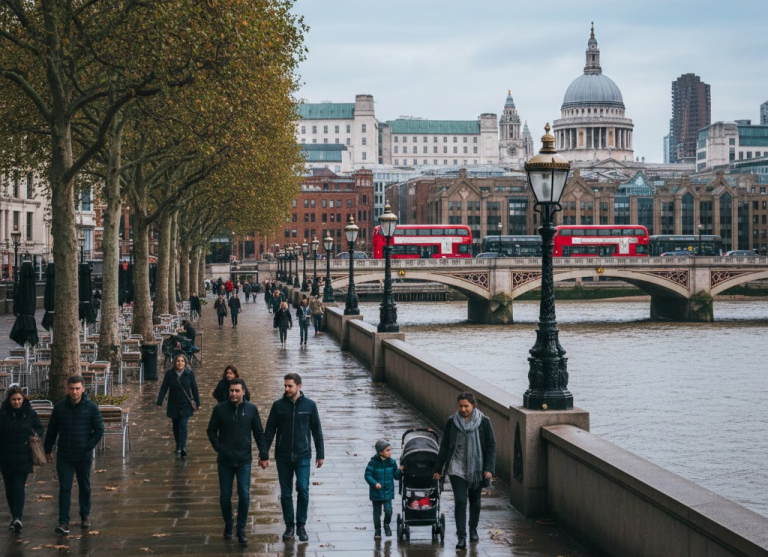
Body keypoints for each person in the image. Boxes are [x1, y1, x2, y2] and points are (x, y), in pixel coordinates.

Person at [259, 373, 324, 543]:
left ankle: (301, 524)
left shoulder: (310, 405)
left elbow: (316, 430)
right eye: (285, 386)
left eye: (290, 386)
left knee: (303, 489)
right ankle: (290, 526)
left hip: (303, 455)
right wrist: (264, 454)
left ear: (299, 386)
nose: (286, 389)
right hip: (283, 456)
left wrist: (320, 454)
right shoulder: (278, 406)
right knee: (286, 493)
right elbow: (270, 431)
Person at [432, 392, 496, 550]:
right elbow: (445, 445)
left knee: (475, 501)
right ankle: (461, 537)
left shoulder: (484, 422)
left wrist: (489, 468)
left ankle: (473, 529)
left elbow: (491, 446)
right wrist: (438, 468)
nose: (463, 409)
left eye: (466, 406)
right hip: (456, 466)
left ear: (473, 405)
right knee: (460, 502)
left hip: (477, 468)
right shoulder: (452, 421)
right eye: (460, 406)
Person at [44, 375, 104, 536]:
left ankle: (85, 515)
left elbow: (99, 429)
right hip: (64, 455)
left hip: (83, 455)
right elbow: (52, 430)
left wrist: (88, 446)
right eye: (71, 388)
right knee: (64, 488)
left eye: (77, 388)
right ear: (67, 389)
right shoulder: (60, 408)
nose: (74, 392)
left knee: (85, 486)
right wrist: (47, 449)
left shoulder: (91, 407)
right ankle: (63, 522)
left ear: (83, 389)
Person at [207, 378, 263, 546]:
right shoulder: (220, 409)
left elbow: (259, 433)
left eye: (237, 391)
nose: (233, 393)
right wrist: (219, 448)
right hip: (225, 460)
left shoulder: (251, 410)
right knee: (225, 496)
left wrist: (264, 454)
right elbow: (211, 431)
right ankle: (229, 522)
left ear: (243, 392)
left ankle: (241, 529)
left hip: (244, 460)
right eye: (231, 391)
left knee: (244, 495)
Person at [0, 387, 44, 533]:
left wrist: (36, 435)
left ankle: (18, 517)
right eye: (14, 399)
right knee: (9, 489)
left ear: (23, 398)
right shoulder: (3, 414)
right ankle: (14, 515)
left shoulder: (30, 413)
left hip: (24, 457)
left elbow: (39, 428)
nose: (17, 402)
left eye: (19, 399)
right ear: (9, 400)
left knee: (19, 487)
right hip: (6, 458)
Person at [157, 354, 201, 458]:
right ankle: (178, 444)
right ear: (175, 363)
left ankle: (183, 447)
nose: (180, 363)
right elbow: (164, 388)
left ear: (185, 363)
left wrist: (198, 403)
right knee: (176, 426)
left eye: (182, 361)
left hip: (185, 404)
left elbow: (194, 388)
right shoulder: (169, 374)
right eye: (178, 361)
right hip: (173, 404)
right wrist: (159, 402)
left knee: (183, 425)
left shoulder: (189, 374)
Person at [364, 440, 403, 539]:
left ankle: (386, 524)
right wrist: (375, 483)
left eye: (390, 450)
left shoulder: (392, 462)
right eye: (387, 450)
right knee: (377, 513)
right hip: (376, 493)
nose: (390, 452)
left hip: (388, 492)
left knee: (388, 510)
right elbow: (367, 475)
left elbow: (396, 476)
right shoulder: (373, 463)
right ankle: (377, 530)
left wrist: (400, 471)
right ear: (380, 452)